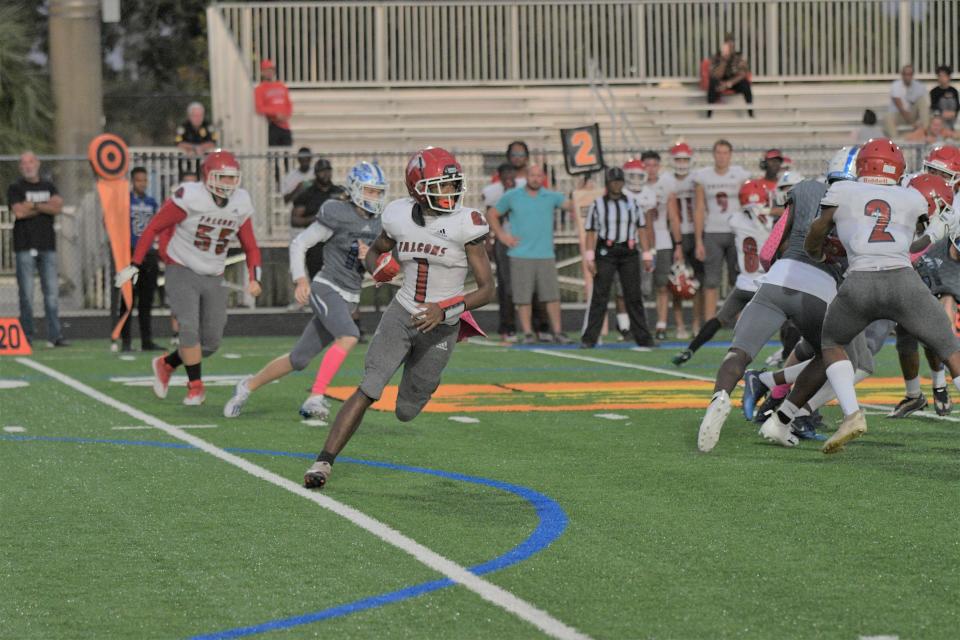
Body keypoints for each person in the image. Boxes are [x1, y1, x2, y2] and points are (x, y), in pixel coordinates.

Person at [302, 147, 494, 489]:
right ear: (418, 187)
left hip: (442, 325)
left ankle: (423, 382)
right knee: (369, 387)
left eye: (453, 185)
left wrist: (444, 309)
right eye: (442, 186)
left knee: (406, 409)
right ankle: (323, 462)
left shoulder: (469, 223)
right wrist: (377, 266)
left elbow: (486, 289)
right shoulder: (397, 215)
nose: (451, 193)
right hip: (403, 312)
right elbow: (376, 251)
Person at [797, 141, 960, 453]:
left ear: (863, 165)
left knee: (831, 344)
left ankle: (851, 414)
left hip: (860, 283)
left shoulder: (843, 191)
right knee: (951, 349)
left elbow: (817, 231)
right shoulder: (912, 197)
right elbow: (916, 244)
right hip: (904, 280)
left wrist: (816, 253)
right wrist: (939, 228)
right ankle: (932, 390)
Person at [696, 146, 858, 452]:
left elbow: (770, 248)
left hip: (777, 279)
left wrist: (777, 276)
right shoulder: (864, 205)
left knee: (739, 352)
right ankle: (783, 418)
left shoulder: (807, 189)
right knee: (829, 355)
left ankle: (719, 397)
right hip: (820, 290)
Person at [225, 162, 387, 419]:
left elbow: (382, 267)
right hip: (327, 286)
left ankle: (247, 385)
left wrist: (372, 259)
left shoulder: (380, 223)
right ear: (355, 189)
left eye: (378, 192)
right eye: (370, 191)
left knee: (299, 359)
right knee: (349, 335)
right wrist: (301, 280)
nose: (375, 197)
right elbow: (299, 243)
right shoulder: (338, 212)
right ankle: (315, 397)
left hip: (351, 295)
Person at [116, 151, 262, 405]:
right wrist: (135, 263)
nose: (228, 184)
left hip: (214, 273)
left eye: (231, 178)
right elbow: (154, 227)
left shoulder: (241, 201)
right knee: (189, 328)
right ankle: (195, 387)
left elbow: (250, 246)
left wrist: (254, 277)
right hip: (181, 267)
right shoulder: (190, 196)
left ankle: (166, 364)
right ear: (208, 176)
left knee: (211, 342)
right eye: (222, 177)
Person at [673, 180, 773, 366]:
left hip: (743, 283)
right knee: (788, 316)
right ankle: (785, 354)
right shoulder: (771, 223)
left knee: (719, 319)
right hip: (764, 284)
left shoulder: (735, 220)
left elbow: (737, 217)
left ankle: (690, 349)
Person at [489, 164, 578, 344]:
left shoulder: (551, 196)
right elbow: (492, 214)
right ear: (526, 176)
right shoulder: (512, 196)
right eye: (532, 175)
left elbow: (572, 205)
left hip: (546, 254)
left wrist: (583, 191)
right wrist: (502, 236)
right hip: (520, 254)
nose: (535, 178)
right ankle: (528, 333)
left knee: (552, 296)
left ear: (543, 177)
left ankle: (558, 332)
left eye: (539, 175)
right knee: (523, 298)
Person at [580, 166, 655, 348]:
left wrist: (646, 254)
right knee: (600, 295)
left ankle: (643, 338)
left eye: (619, 181)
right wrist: (589, 257)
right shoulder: (598, 204)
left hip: (628, 251)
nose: (617, 185)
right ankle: (589, 339)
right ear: (608, 183)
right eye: (614, 181)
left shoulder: (632, 203)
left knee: (633, 295)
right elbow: (590, 232)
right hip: (606, 250)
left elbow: (642, 229)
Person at [8, 151, 67, 347]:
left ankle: (55, 336)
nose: (27, 166)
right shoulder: (15, 187)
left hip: (47, 246)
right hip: (24, 246)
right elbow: (19, 212)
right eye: (23, 163)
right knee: (26, 294)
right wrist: (44, 206)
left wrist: (32, 205)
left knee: (51, 293)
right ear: (20, 166)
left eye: (31, 162)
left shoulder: (49, 185)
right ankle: (26, 336)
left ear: (38, 163)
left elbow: (57, 207)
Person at [691, 139, 751, 320]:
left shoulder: (740, 175)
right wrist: (698, 241)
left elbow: (748, 204)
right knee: (711, 281)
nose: (722, 157)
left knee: (739, 279)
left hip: (736, 232)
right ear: (713, 154)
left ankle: (741, 323)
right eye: (719, 152)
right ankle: (710, 323)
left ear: (730, 155)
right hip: (713, 231)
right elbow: (699, 208)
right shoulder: (703, 176)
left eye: (725, 153)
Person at [114, 166, 161, 352]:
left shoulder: (151, 202)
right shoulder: (125, 201)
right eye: (138, 180)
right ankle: (126, 340)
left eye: (144, 180)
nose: (142, 183)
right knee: (127, 299)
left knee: (147, 300)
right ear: (132, 181)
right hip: (129, 253)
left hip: (148, 254)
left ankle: (146, 340)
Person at [291, 158, 348, 280]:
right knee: (317, 281)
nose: (326, 174)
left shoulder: (340, 192)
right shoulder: (307, 194)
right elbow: (295, 220)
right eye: (322, 171)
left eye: (328, 170)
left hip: (337, 244)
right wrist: (315, 219)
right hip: (315, 245)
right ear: (316, 173)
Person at [665, 142, 699, 337]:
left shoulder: (697, 179)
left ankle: (695, 323)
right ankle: (679, 325)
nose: (681, 163)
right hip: (674, 234)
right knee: (676, 282)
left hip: (694, 233)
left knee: (696, 282)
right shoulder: (666, 180)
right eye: (678, 159)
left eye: (685, 159)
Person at [483, 162, 519, 340]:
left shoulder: (523, 189)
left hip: (522, 240)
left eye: (512, 177)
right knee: (506, 285)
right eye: (506, 178)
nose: (509, 181)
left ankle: (538, 327)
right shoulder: (494, 192)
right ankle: (507, 326)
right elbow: (490, 217)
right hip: (503, 241)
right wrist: (489, 240)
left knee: (528, 285)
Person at [706, 33, 753, 118]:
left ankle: (750, 113)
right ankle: (709, 114)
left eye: (732, 44)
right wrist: (724, 60)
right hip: (719, 82)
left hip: (733, 82)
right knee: (712, 83)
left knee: (745, 84)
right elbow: (715, 75)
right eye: (728, 44)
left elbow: (743, 74)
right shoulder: (716, 57)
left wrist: (729, 83)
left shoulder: (738, 57)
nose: (730, 46)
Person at [254, 59, 293, 147]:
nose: (269, 72)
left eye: (271, 70)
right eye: (266, 70)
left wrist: (286, 115)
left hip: (285, 125)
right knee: (274, 155)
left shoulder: (281, 86)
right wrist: (275, 114)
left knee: (287, 153)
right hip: (272, 125)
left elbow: (289, 104)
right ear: (262, 72)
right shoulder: (260, 89)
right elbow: (260, 108)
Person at [884, 65, 929, 138]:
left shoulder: (919, 86)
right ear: (902, 75)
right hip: (900, 114)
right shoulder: (896, 85)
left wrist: (917, 122)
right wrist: (913, 123)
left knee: (922, 101)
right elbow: (900, 108)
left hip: (913, 114)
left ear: (912, 75)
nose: (907, 76)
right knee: (887, 117)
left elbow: (925, 105)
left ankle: (925, 130)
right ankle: (896, 140)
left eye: (909, 74)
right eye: (905, 74)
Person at [930, 65, 958, 129]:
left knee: (950, 100)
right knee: (943, 100)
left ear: (948, 77)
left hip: (952, 115)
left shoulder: (953, 90)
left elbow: (957, 105)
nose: (941, 78)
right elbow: (933, 106)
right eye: (939, 76)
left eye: (943, 76)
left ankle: (949, 128)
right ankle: (948, 129)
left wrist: (953, 113)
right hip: (940, 115)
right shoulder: (934, 91)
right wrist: (942, 112)